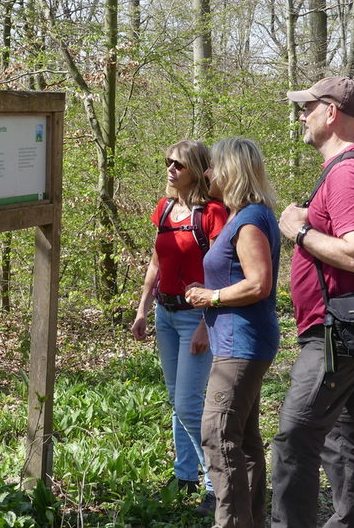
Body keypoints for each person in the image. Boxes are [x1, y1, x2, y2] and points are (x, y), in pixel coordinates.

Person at [271, 76, 354, 527]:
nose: (302, 115)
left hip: (334, 334)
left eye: (308, 107)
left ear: (331, 113)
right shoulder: (351, 169)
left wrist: (297, 230)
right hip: (345, 327)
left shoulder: (349, 173)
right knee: (344, 441)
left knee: (294, 440)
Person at [185, 137, 281, 528]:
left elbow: (259, 283)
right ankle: (252, 519)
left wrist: (213, 296)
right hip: (241, 342)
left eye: (213, 167)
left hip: (241, 345)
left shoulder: (249, 220)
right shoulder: (246, 215)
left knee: (218, 436)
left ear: (231, 171)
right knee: (243, 442)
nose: (207, 173)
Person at [131, 140, 228, 511]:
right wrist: (142, 309)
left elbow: (222, 269)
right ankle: (184, 475)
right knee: (177, 400)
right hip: (165, 314)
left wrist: (207, 322)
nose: (170, 169)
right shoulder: (165, 207)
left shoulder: (213, 213)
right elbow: (156, 263)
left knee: (189, 403)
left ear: (196, 169)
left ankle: (215, 485)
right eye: (167, 161)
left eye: (179, 165)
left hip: (195, 318)